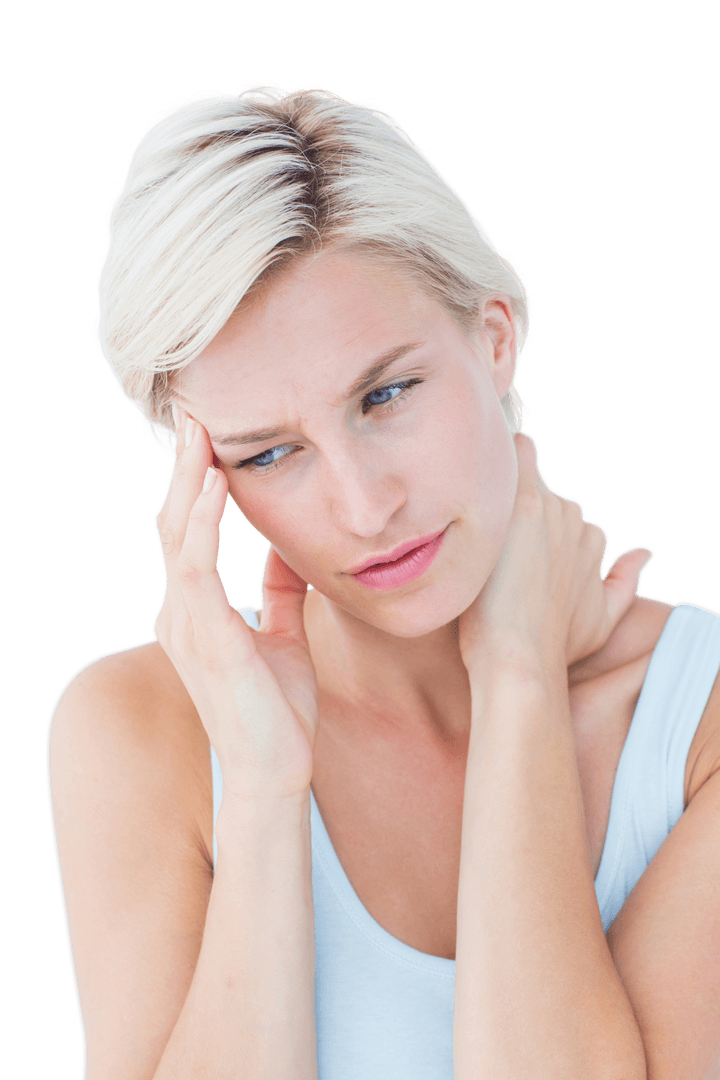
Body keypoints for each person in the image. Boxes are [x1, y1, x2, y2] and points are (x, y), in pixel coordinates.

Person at [46, 79, 720, 1080]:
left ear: (494, 336)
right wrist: (269, 788)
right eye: (270, 454)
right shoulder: (139, 731)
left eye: (388, 393)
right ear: (204, 478)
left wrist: (519, 677)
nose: (363, 508)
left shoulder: (697, 722)